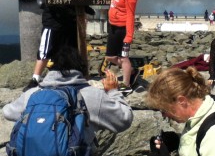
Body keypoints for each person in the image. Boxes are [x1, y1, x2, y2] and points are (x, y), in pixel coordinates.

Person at [3, 46, 133, 153]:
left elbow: (7, 112)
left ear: (50, 68)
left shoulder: (33, 94)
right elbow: (124, 119)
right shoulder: (92, 95)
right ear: (82, 68)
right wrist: (113, 91)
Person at [24, 0, 95, 91]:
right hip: (53, 23)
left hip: (68, 25)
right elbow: (54, 5)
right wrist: (75, 15)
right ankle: (35, 79)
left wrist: (87, 9)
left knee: (68, 51)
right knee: (45, 51)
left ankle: (68, 76)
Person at [146, 67, 215, 156]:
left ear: (182, 101)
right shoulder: (200, 114)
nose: (164, 115)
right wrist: (178, 142)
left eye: (164, 109)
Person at [104, 0, 138, 93]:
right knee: (110, 57)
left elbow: (130, 15)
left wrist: (129, 36)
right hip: (113, 26)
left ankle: (126, 84)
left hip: (123, 29)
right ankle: (132, 71)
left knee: (124, 58)